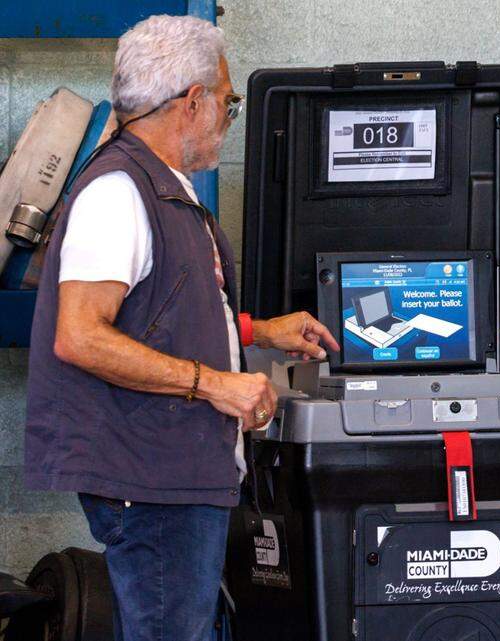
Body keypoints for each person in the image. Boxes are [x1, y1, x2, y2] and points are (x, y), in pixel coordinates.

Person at [23, 15, 339, 641]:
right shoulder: (119, 192)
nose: (228, 114)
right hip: (154, 479)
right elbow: (80, 335)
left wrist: (259, 329)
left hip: (175, 474)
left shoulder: (164, 189)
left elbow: (163, 310)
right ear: (192, 102)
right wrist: (218, 386)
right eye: (228, 101)